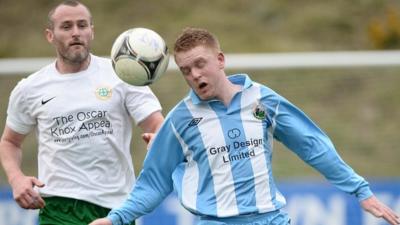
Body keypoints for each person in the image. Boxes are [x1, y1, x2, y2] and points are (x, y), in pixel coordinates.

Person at [89, 27, 400, 225]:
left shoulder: (263, 100)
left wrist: (360, 190)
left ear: (220, 60)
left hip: (272, 219)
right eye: (186, 70)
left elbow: (312, 145)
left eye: (200, 64)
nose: (195, 75)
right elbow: (154, 182)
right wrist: (116, 219)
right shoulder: (179, 121)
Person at [0, 1, 164, 224]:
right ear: (50, 35)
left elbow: (157, 126)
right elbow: (10, 142)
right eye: (66, 26)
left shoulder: (122, 75)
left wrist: (159, 140)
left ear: (92, 32)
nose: (76, 32)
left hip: (116, 209)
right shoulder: (30, 89)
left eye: (82, 25)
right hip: (59, 208)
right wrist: (16, 178)